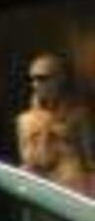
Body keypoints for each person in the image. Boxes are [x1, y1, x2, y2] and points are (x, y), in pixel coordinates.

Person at [18, 53, 94, 196]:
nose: (35, 85)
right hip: (42, 194)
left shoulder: (79, 116)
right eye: (32, 79)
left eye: (43, 79)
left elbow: (89, 161)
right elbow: (27, 163)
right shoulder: (25, 120)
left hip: (75, 191)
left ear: (61, 79)